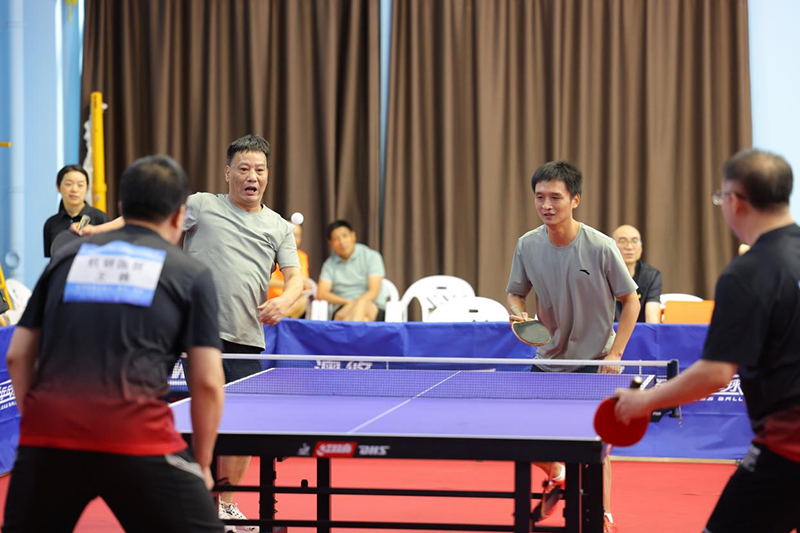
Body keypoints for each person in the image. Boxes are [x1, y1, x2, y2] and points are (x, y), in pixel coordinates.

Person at [76, 135, 304, 531]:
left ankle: (225, 506)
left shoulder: (279, 227)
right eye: (244, 168)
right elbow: (145, 222)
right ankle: (174, 498)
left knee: (243, 426)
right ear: (228, 172)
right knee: (173, 418)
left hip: (244, 338)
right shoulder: (201, 205)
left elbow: (296, 277)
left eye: (259, 169)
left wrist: (284, 301)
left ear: (268, 174)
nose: (252, 176)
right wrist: (98, 231)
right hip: (186, 334)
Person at [4, 156, 225, 532]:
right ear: (179, 215)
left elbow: (17, 355)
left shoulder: (65, 259)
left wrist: (41, 425)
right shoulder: (190, 273)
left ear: (122, 206)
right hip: (139, 440)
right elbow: (207, 382)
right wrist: (202, 464)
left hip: (49, 441)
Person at [615, 149, 800, 533]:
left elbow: (716, 373)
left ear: (735, 199)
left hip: (788, 445)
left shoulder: (748, 273)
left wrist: (645, 400)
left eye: (721, 197)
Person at [506, 161, 640, 533]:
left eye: (555, 197)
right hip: (548, 359)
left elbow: (631, 301)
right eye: (540, 197)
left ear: (575, 200)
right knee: (520, 438)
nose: (546, 205)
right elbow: (515, 293)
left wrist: (615, 354)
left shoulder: (601, 246)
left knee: (596, 446)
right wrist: (517, 314)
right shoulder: (527, 245)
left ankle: (604, 514)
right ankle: (559, 472)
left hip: (594, 361)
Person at [317, 220, 386, 321]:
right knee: (364, 319)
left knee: (359, 308)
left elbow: (373, 292)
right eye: (336, 239)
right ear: (331, 243)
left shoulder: (372, 257)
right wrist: (348, 302)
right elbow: (322, 293)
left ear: (353, 236)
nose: (342, 242)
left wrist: (358, 303)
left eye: (345, 236)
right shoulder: (329, 264)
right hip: (343, 305)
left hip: (373, 305)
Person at [43, 164, 107, 257]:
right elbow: (51, 259)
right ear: (58, 187)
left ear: (87, 188)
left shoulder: (100, 218)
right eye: (68, 184)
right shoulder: (51, 223)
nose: (74, 189)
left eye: (80, 185)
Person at [612, 224, 663, 323]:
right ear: (611, 245)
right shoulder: (602, 273)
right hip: (609, 331)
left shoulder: (651, 276)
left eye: (635, 241)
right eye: (622, 241)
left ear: (641, 246)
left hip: (640, 331)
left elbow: (652, 320)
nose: (629, 247)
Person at [268, 222, 313, 318]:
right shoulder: (271, 253)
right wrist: (291, 282)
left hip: (290, 300)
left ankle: (275, 317)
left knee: (303, 301)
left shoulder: (302, 256)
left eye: (296, 235)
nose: (292, 239)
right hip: (269, 299)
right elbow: (267, 281)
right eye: (290, 234)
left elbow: (303, 282)